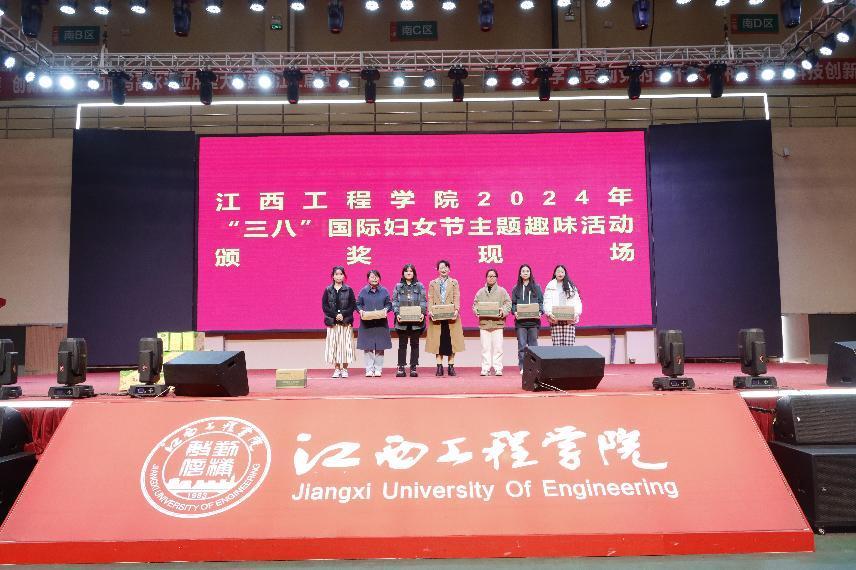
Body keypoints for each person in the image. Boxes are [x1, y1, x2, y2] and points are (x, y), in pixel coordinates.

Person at [426, 259, 464, 377]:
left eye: (446, 267)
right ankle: (439, 366)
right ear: (437, 270)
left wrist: (456, 310)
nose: (444, 269)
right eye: (441, 267)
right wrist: (430, 310)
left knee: (452, 341)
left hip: (451, 316)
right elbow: (430, 297)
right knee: (438, 342)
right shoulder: (433, 283)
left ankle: (451, 366)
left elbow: (456, 296)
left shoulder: (454, 282)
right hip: (437, 317)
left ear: (449, 269)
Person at [472, 268, 511, 376]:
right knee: (485, 348)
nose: (491, 278)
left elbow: (508, 304)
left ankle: (498, 368)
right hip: (484, 324)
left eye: (493, 276)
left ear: (496, 278)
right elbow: (475, 305)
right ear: (486, 278)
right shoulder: (480, 292)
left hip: (497, 324)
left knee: (498, 348)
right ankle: (486, 368)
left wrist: (503, 311)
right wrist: (476, 310)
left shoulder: (502, 291)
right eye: (489, 276)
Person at [391, 263, 427, 378]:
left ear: (414, 273)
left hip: (416, 321)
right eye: (406, 271)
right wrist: (397, 313)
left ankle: (413, 367)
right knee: (402, 344)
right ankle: (401, 367)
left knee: (415, 344)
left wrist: (422, 313)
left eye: (411, 271)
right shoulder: (398, 286)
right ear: (403, 273)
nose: (409, 273)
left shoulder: (419, 286)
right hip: (402, 321)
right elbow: (394, 301)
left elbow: (423, 301)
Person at [356, 269, 393, 377]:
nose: (374, 278)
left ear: (379, 278)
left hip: (381, 323)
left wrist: (386, 309)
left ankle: (378, 369)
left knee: (380, 346)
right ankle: (369, 369)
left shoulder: (384, 291)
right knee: (368, 347)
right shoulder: (363, 291)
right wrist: (360, 310)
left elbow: (389, 304)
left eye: (376, 276)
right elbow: (358, 304)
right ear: (368, 279)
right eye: (372, 277)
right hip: (367, 323)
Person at [321, 266, 356, 377]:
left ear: (344, 276)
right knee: (334, 346)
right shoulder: (328, 290)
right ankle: (336, 369)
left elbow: (352, 305)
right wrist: (335, 315)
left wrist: (343, 314)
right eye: (336, 274)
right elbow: (325, 306)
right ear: (333, 276)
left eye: (341, 274)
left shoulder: (349, 289)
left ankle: (344, 369)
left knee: (346, 347)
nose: (339, 276)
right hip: (333, 323)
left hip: (345, 322)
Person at [511, 264, 544, 373]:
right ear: (520, 274)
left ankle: (534, 367)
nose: (525, 273)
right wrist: (515, 311)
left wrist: (540, 311)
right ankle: (523, 367)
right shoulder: (516, 288)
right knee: (522, 346)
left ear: (530, 273)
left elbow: (541, 302)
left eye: (527, 271)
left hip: (534, 322)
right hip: (521, 323)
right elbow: (513, 304)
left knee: (533, 346)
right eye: (523, 271)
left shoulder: (536, 287)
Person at [543, 264, 583, 347]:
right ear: (555, 273)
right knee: (557, 346)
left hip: (569, 319)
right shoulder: (550, 286)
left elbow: (577, 302)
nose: (560, 274)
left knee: (569, 346)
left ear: (565, 273)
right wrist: (549, 313)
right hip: (555, 318)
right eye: (558, 272)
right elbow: (546, 301)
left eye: (562, 272)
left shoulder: (571, 286)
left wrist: (576, 313)